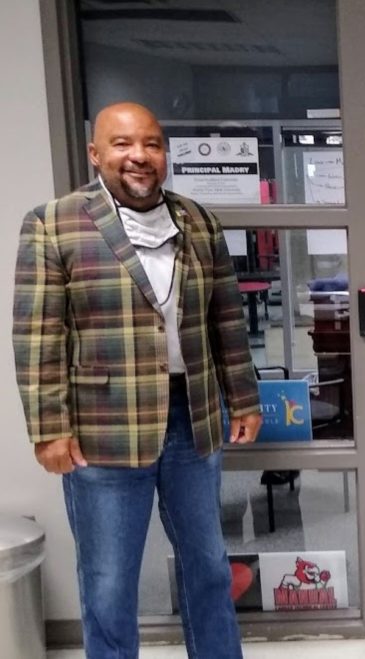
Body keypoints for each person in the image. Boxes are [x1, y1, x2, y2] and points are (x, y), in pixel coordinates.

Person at [12, 102, 262, 658]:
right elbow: (37, 336)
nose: (139, 156)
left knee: (208, 567)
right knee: (108, 582)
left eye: (151, 144)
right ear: (95, 153)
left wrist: (243, 398)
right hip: (103, 430)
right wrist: (49, 428)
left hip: (192, 419)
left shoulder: (198, 220)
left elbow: (227, 318)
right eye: (123, 144)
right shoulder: (52, 223)